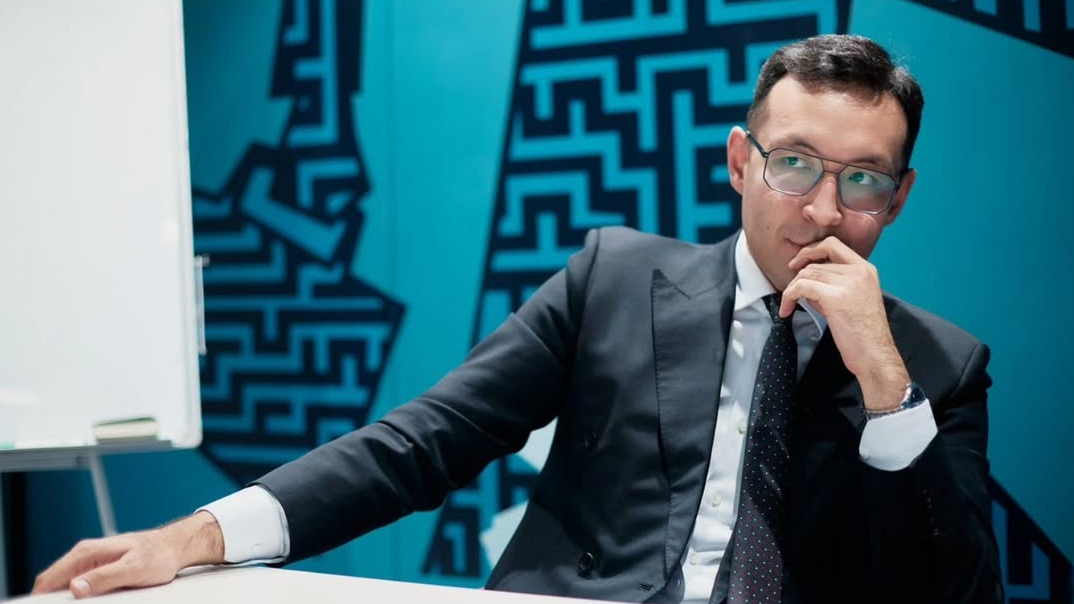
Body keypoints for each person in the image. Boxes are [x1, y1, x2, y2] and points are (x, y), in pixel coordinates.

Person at [33, 34, 1002, 603]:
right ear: (741, 162)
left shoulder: (940, 364)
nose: (824, 208)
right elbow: (423, 442)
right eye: (794, 164)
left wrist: (885, 382)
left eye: (862, 179)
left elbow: (957, 588)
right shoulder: (615, 278)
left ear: (899, 197)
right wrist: (194, 536)